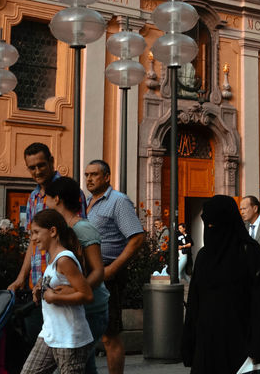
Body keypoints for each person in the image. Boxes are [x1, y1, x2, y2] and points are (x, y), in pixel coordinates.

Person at [181, 195, 260, 374]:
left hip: (240, 344)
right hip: (208, 344)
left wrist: (258, 347)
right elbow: (195, 302)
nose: (210, 229)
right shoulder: (205, 256)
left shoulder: (249, 252)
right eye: (208, 224)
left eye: (214, 224)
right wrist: (190, 346)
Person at [44, 176, 109, 374]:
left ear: (57, 199)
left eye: (47, 198)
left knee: (77, 366)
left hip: (92, 310)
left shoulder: (83, 228)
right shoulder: (63, 228)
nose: (44, 202)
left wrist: (75, 290)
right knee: (84, 367)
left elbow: (98, 270)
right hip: (77, 309)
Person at [84, 159, 143, 374]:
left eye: (94, 174)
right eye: (87, 175)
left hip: (108, 274)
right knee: (86, 331)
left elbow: (137, 238)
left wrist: (113, 269)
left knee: (110, 335)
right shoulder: (87, 203)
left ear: (107, 177)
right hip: (87, 273)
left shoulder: (118, 201)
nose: (89, 179)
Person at [20, 209, 95, 374]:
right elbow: (57, 284)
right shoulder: (51, 259)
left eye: (36, 232)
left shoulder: (64, 260)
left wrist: (54, 298)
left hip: (69, 338)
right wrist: (40, 289)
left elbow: (87, 294)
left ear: (53, 231)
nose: (33, 238)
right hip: (50, 334)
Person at [9, 142, 65, 296]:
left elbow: (74, 239)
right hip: (36, 284)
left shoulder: (66, 191)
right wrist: (21, 278)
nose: (37, 171)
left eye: (41, 165)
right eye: (32, 168)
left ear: (52, 161)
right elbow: (33, 241)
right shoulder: (33, 197)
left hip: (58, 284)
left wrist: (48, 279)